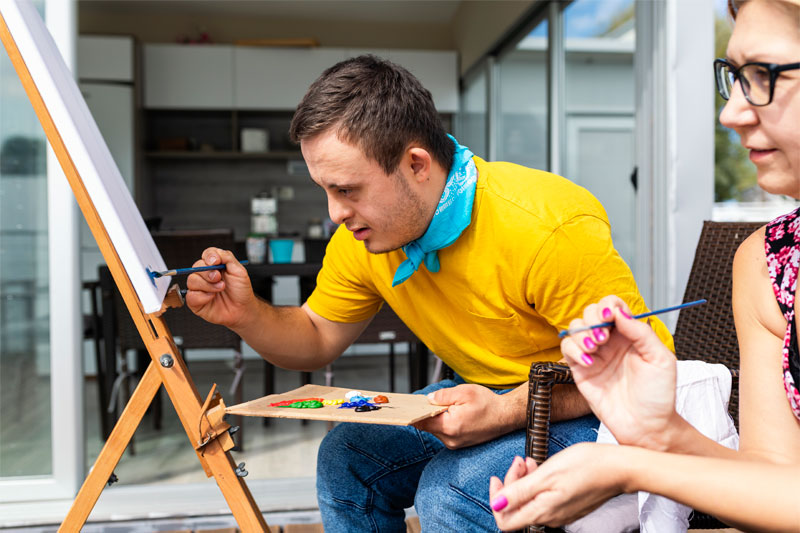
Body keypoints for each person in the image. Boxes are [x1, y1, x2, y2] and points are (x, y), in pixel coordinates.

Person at [186, 54, 672, 532]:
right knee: (346, 460)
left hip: (596, 410)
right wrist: (245, 314)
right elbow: (315, 335)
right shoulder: (365, 240)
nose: (334, 212)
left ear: (416, 164)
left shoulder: (546, 227)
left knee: (450, 493)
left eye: (348, 190)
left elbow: (631, 372)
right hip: (487, 393)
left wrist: (504, 411)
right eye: (326, 190)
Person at [489, 1, 800, 531]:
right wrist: (658, 433)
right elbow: (776, 484)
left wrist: (632, 465)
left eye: (764, 75)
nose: (731, 113)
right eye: (735, 78)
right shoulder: (766, 266)